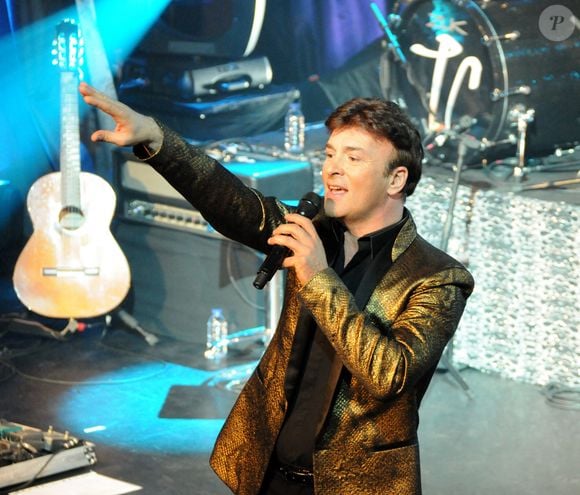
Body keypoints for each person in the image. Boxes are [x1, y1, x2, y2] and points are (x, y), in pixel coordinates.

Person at [79, 81, 474, 495]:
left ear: (396, 179)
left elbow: (389, 374)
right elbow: (233, 204)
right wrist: (157, 138)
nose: (332, 169)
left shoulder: (437, 277)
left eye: (352, 158)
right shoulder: (314, 231)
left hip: (354, 485)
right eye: (329, 154)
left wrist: (319, 278)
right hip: (268, 474)